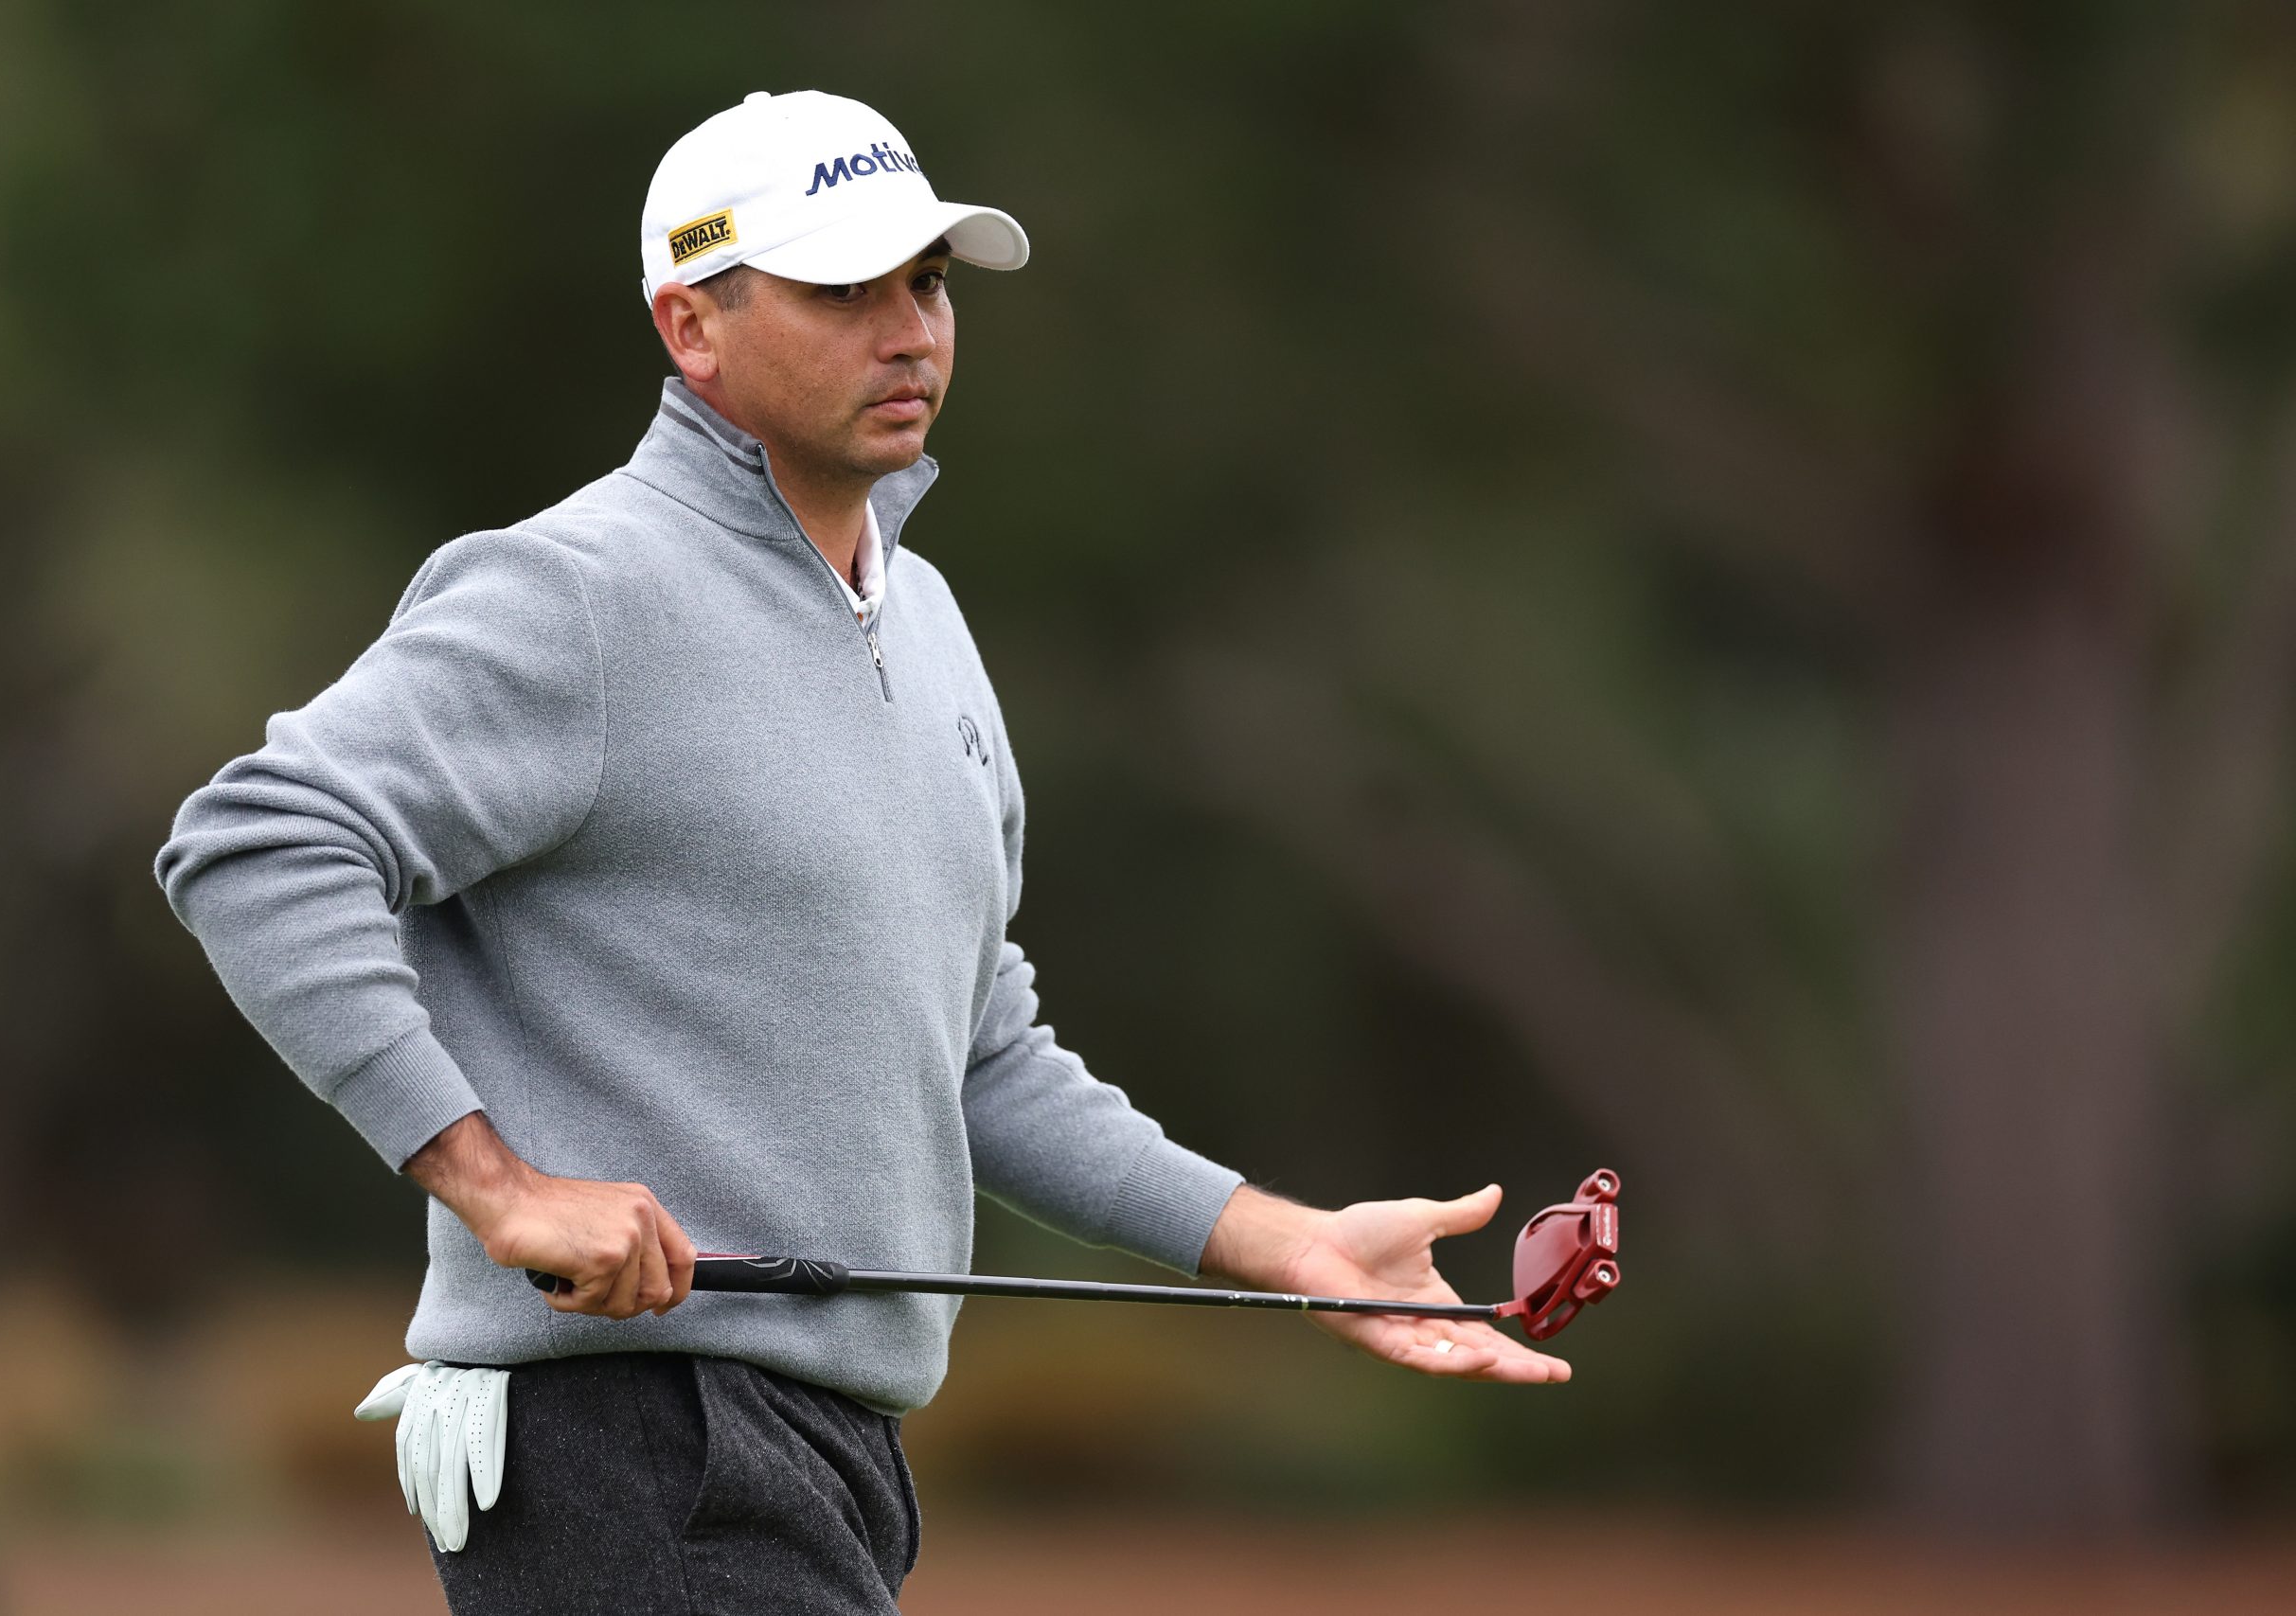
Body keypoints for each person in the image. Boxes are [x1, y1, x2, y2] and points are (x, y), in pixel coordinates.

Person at [153, 88, 1570, 1615]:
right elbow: (258, 838)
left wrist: (1289, 1243)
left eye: (930, 282)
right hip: (627, 1445)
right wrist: (493, 1184)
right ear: (692, 328)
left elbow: (983, 1055)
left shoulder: (933, 624)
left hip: (829, 1454)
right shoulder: (577, 593)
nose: (910, 331)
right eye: (844, 289)